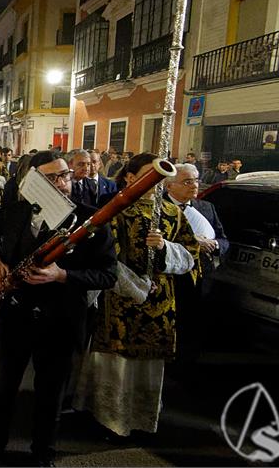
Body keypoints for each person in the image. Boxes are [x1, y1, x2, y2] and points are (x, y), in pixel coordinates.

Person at [0, 151, 117, 467]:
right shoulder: (15, 211)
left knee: (50, 396)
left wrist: (63, 275)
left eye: (65, 175)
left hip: (61, 322)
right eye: (51, 178)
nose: (62, 184)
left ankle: (42, 455)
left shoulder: (91, 220)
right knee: (2, 390)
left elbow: (109, 274)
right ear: (32, 182)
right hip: (15, 316)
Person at [75, 153, 198, 438]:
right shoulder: (114, 210)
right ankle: (109, 418)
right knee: (117, 362)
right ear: (130, 177)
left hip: (160, 300)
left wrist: (166, 248)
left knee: (147, 365)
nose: (155, 181)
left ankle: (141, 418)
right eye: (148, 173)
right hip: (122, 296)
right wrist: (137, 286)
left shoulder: (172, 213)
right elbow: (105, 259)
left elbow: (191, 253)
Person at [165, 163, 229, 363]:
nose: (194, 186)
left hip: (202, 276)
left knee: (195, 324)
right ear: (169, 186)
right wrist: (193, 243)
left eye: (196, 180)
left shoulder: (206, 207)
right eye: (187, 181)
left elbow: (224, 239)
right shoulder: (159, 207)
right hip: (172, 278)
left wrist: (215, 244)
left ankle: (190, 360)